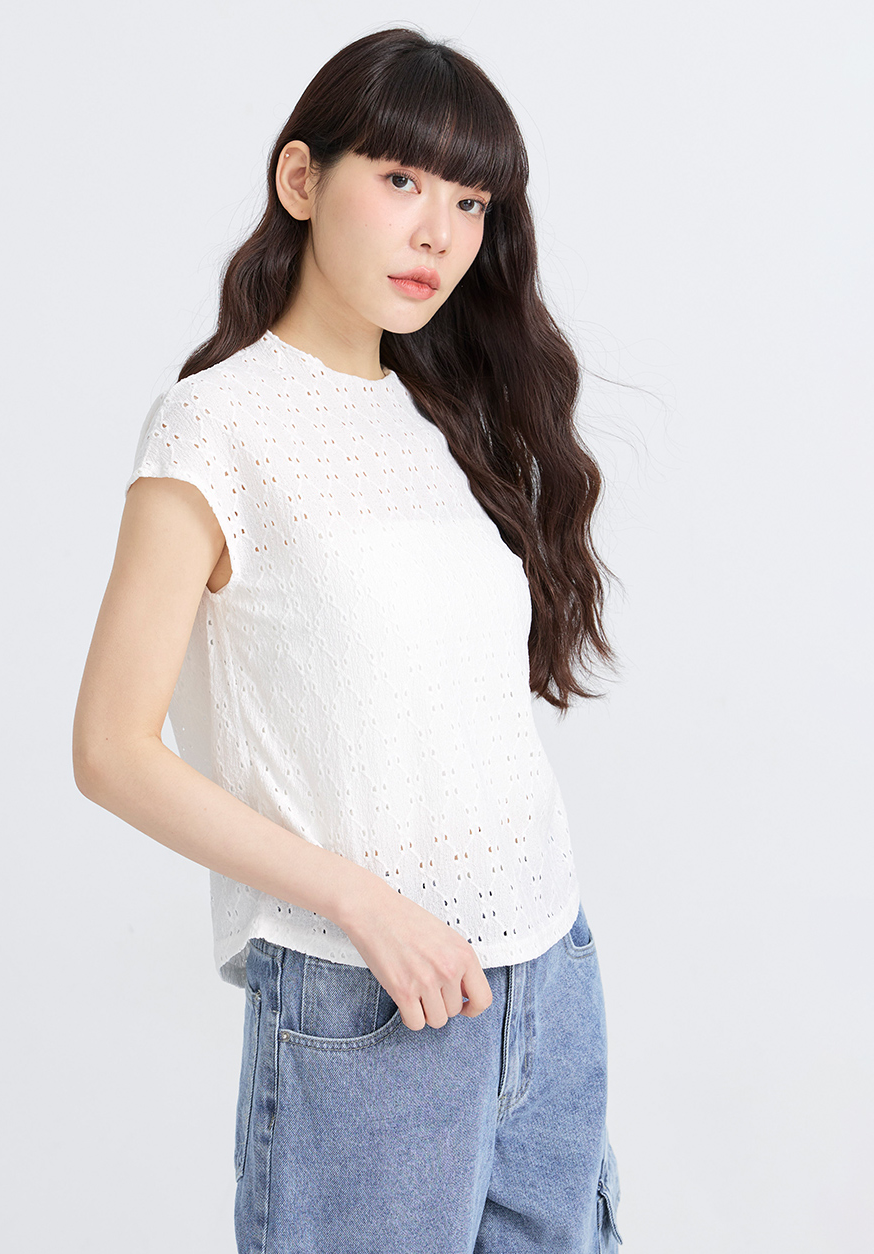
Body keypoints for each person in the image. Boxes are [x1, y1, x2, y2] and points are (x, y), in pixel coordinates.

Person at [73, 24, 623, 1254]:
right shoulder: (213, 426)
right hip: (365, 992)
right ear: (301, 180)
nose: (440, 233)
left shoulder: (444, 418)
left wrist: (545, 950)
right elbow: (110, 749)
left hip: (547, 968)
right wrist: (360, 904)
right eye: (402, 180)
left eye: (471, 202)